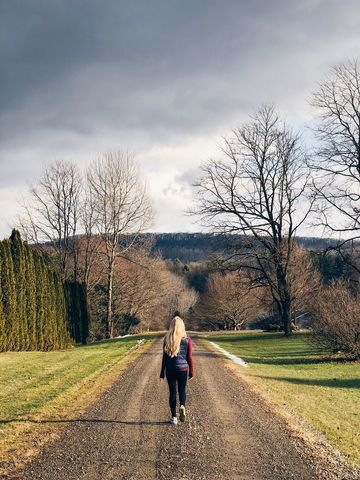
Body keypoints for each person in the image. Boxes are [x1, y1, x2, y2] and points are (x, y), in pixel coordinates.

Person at [160, 315, 194, 425]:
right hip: (183, 369)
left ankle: (174, 417)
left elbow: (164, 358)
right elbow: (189, 357)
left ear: (171, 326)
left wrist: (162, 373)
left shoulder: (167, 339)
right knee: (182, 390)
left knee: (172, 392)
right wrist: (191, 371)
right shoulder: (187, 340)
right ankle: (182, 406)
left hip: (170, 370)